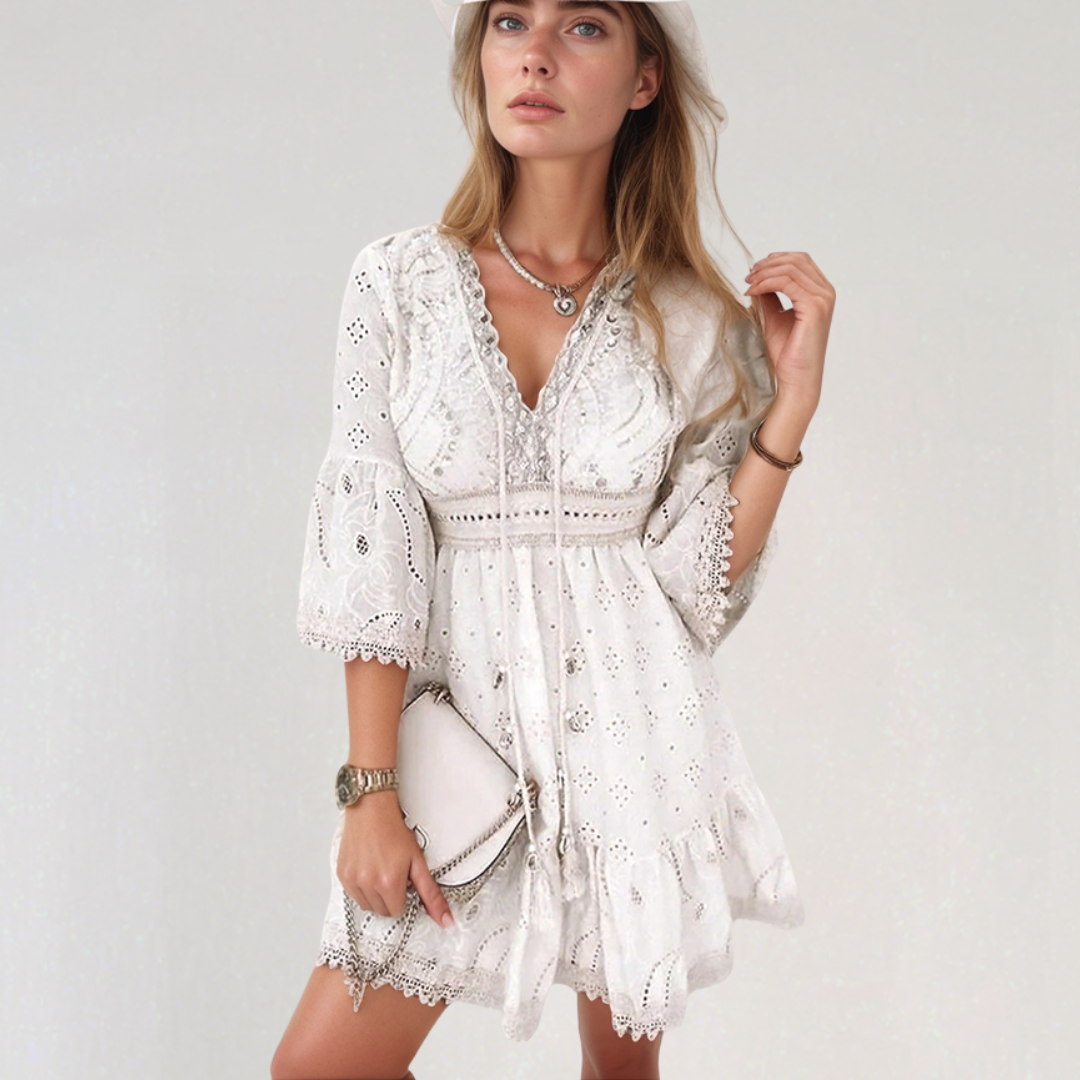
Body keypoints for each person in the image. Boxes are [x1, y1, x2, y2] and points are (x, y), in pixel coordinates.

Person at [271, 1, 834, 1077]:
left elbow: (695, 587)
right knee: (320, 1067)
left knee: (620, 1073)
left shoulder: (695, 318)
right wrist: (370, 788)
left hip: (630, 743)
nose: (533, 54)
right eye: (508, 21)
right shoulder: (398, 283)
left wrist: (790, 407)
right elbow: (373, 549)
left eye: (581, 26)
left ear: (644, 78)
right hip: (463, 766)